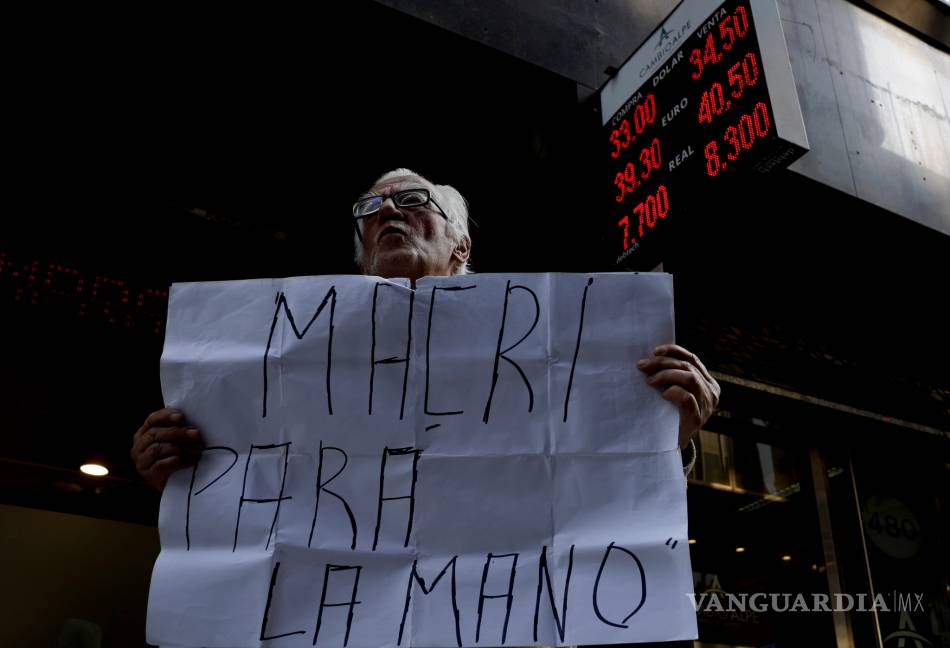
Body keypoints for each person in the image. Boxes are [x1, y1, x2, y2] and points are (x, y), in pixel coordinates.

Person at [131, 168, 720, 490]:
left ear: (461, 245)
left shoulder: (544, 351)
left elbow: (590, 483)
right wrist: (179, 475)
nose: (387, 211)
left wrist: (667, 436)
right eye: (370, 209)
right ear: (363, 261)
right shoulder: (291, 363)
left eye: (413, 199)